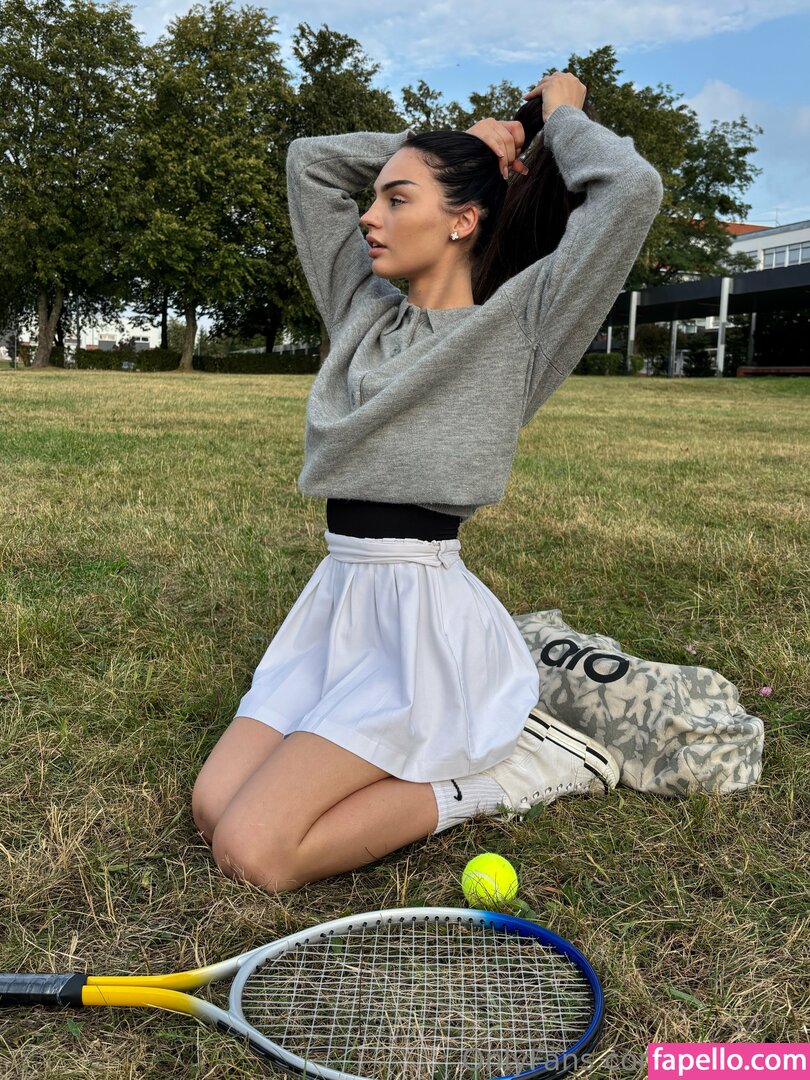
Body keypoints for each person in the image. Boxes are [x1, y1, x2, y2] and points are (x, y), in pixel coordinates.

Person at [192, 71, 664, 893]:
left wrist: (561, 118)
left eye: (396, 199)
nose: (369, 216)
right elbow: (309, 163)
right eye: (374, 198)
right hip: (336, 605)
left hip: (421, 628)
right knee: (212, 808)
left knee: (256, 853)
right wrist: (460, 147)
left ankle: (509, 775)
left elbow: (631, 190)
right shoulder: (363, 314)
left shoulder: (522, 324)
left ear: (463, 220)